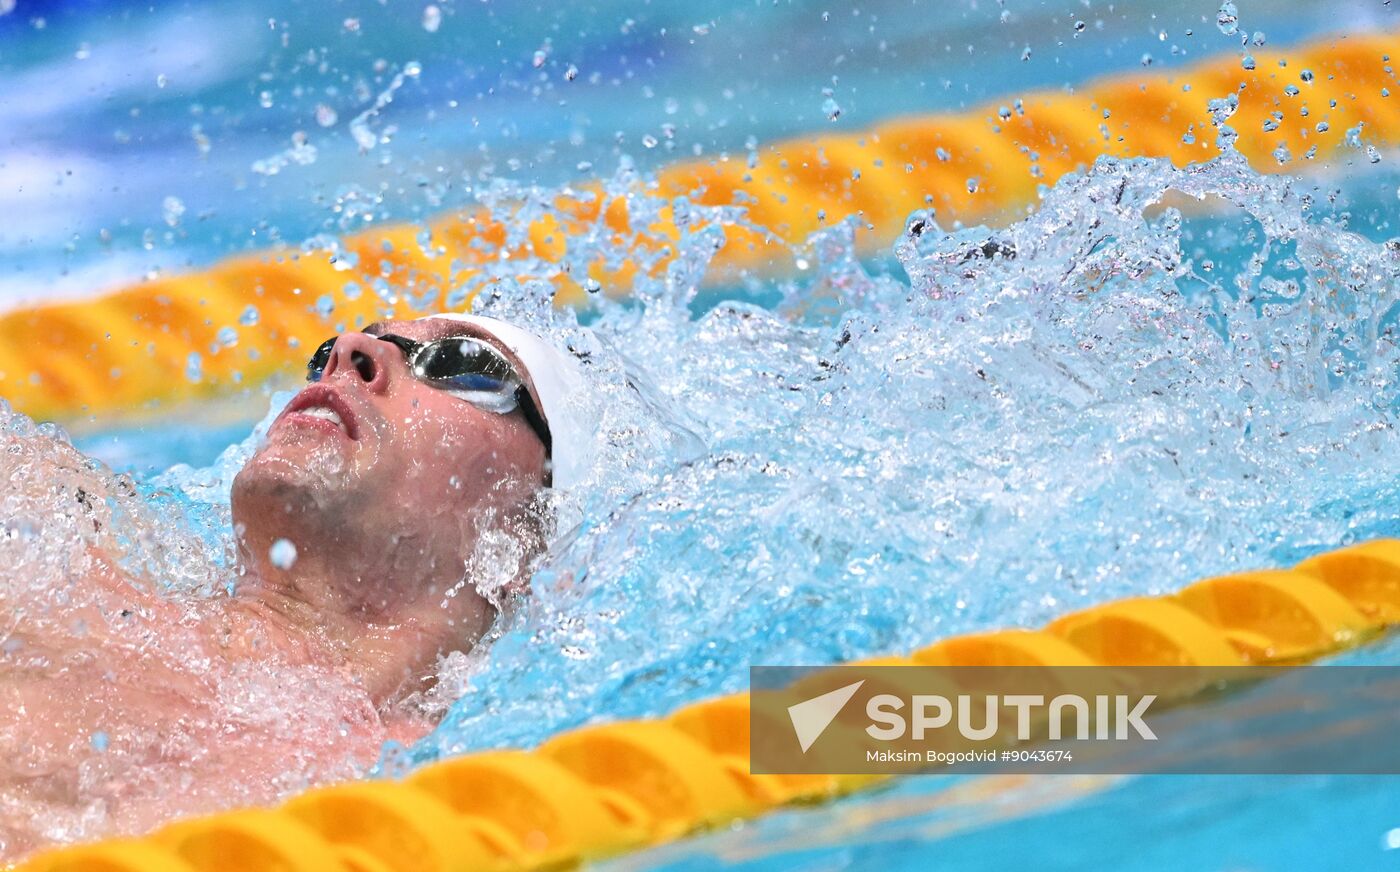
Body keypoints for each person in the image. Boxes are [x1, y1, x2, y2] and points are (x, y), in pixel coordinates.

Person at [0, 314, 590, 860]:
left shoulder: (419, 804)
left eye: (462, 362)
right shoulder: (44, 526)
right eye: (324, 354)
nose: (350, 350)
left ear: (527, 539)